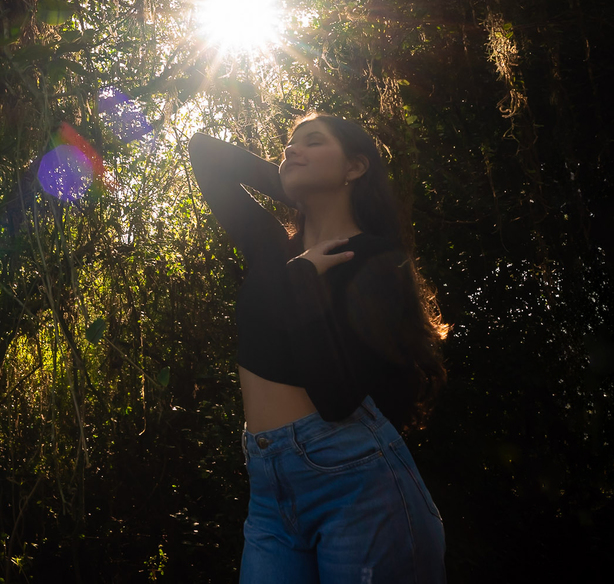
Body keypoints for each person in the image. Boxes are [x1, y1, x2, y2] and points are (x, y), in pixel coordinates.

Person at [187, 112, 448, 584]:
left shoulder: (374, 258)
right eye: (289, 144)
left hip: (355, 478)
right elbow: (203, 150)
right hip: (268, 486)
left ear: (355, 167)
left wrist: (303, 281)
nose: (292, 149)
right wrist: (293, 182)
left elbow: (336, 398)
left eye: (312, 142)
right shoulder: (271, 247)